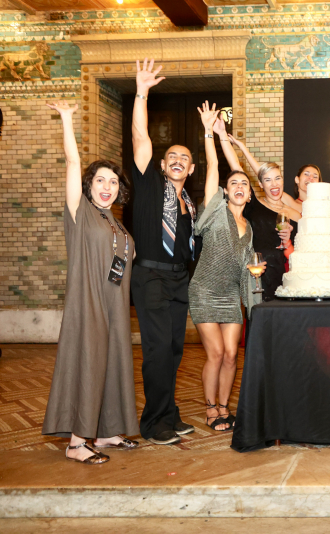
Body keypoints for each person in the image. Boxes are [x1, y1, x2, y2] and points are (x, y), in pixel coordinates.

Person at [42, 101, 139, 464]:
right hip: (89, 304)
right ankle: (76, 441)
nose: (107, 186)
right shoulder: (80, 212)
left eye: (113, 182)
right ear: (89, 185)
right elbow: (71, 163)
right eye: (100, 180)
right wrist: (67, 119)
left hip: (114, 307)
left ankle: (108, 430)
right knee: (88, 363)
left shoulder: (115, 223)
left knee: (112, 363)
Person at [130, 58, 196, 445]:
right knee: (156, 352)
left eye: (184, 158)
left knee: (172, 350)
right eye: (171, 156)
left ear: (189, 169)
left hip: (178, 279)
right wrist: (142, 92)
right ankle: (154, 424)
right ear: (161, 163)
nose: (176, 160)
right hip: (151, 275)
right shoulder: (150, 184)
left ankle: (169, 413)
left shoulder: (188, 200)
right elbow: (141, 137)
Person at [189, 103, 261, 432]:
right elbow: (214, 169)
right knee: (216, 353)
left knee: (232, 355)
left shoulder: (250, 226)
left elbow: (249, 268)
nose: (239, 186)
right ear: (226, 191)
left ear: (248, 195)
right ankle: (209, 409)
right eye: (234, 183)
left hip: (231, 294)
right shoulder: (215, 210)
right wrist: (210, 134)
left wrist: (254, 282)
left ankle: (223, 407)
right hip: (204, 289)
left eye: (244, 184)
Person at [216, 128, 297, 299]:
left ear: (283, 180)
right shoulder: (254, 205)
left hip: (285, 276)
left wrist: (287, 241)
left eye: (277, 178)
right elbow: (236, 166)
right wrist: (223, 136)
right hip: (256, 274)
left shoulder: (295, 214)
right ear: (260, 185)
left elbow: (299, 254)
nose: (273, 184)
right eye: (267, 180)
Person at [226, 136, 330, 214]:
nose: (311, 178)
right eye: (306, 174)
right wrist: (243, 148)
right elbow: (264, 175)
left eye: (315, 176)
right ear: (297, 179)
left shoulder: (327, 200)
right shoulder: (287, 201)